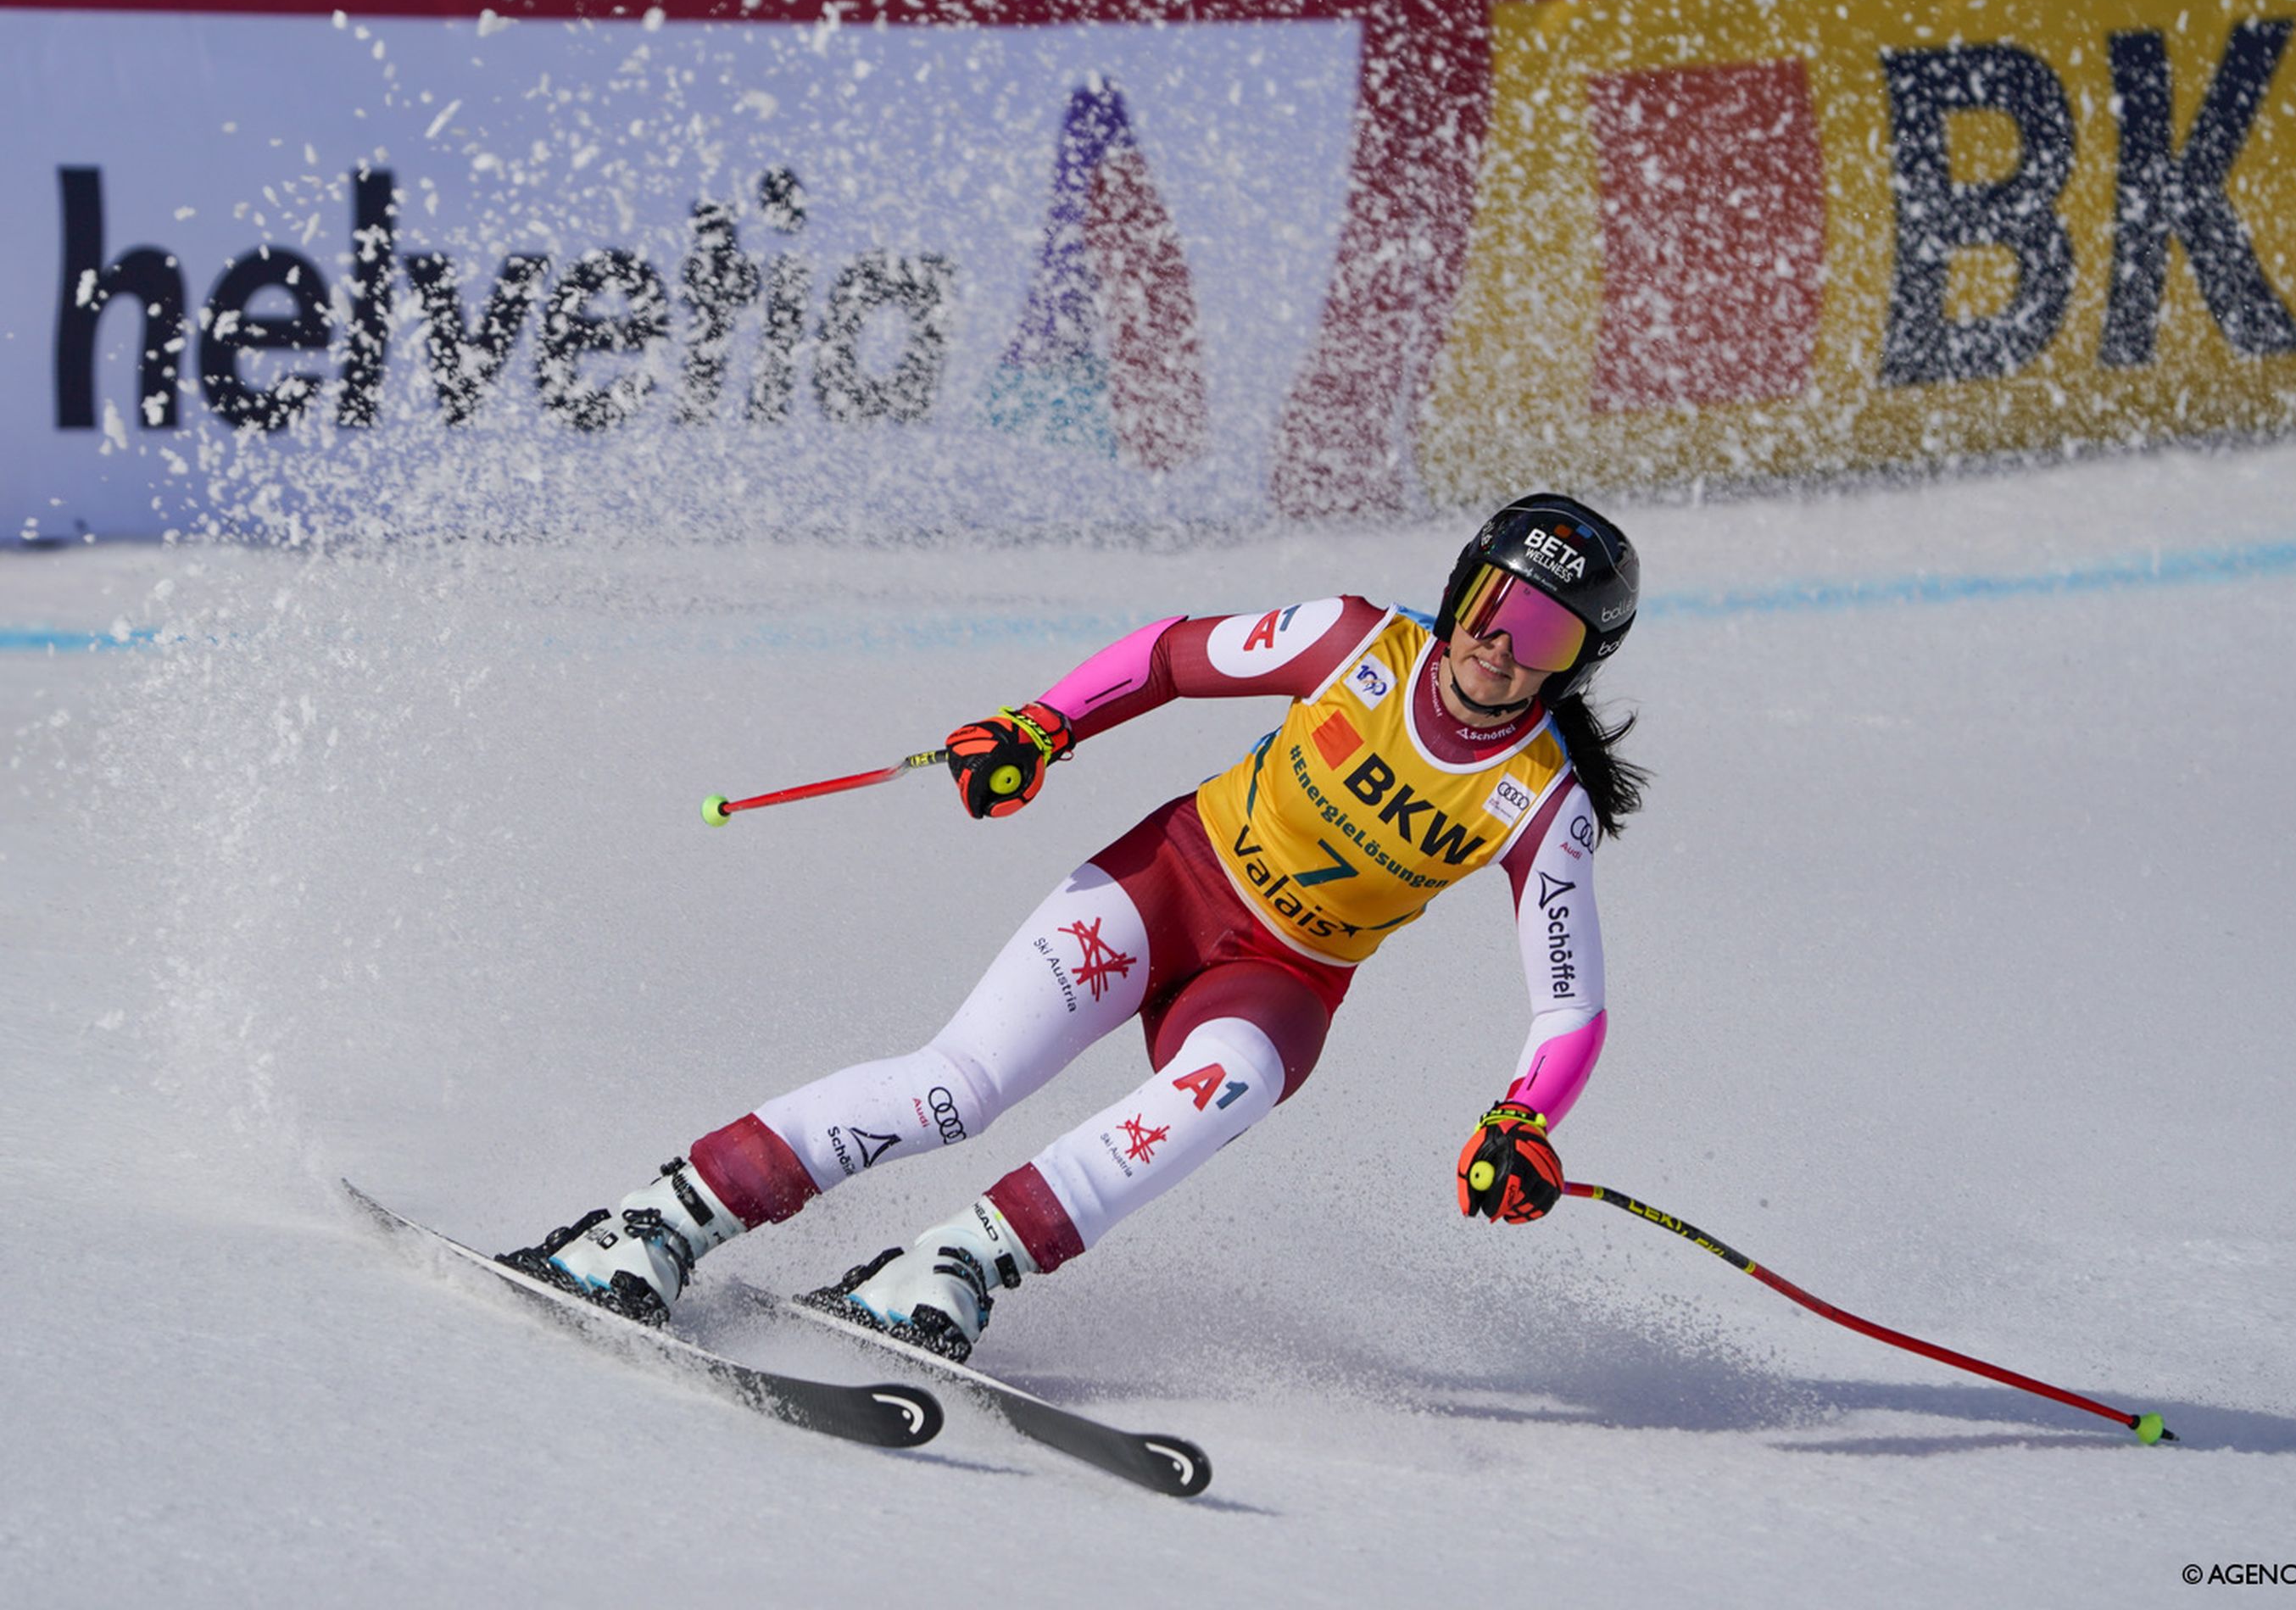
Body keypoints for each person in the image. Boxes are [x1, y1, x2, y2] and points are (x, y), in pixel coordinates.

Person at [500, 493, 1648, 1362]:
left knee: (1230, 1086)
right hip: (1166, 887)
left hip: (1281, 979)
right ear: (1458, 593)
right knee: (955, 1088)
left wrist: (1523, 1120)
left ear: (1576, 664)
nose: (1500, 646)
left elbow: (1569, 1006)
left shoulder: (1543, 803)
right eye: (1492, 605)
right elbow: (1164, 656)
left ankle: (953, 1268)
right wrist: (1041, 726)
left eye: (1542, 636)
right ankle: (655, 1222)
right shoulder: (1351, 643)